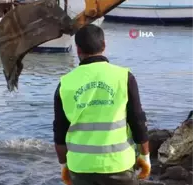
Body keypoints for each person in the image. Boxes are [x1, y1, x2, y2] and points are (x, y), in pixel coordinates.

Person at [53, 24, 150, 185]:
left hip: (81, 168)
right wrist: (145, 156)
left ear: (77, 50)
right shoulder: (124, 77)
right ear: (104, 45)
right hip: (119, 165)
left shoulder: (65, 83)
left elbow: (59, 132)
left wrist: (63, 165)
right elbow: (137, 121)